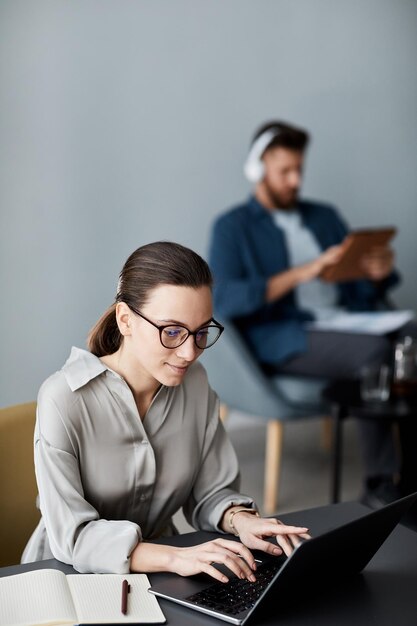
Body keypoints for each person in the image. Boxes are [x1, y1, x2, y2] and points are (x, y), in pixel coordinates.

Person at [22, 241, 309, 577]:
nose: (189, 352)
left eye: (201, 332)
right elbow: (74, 537)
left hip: (163, 572)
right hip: (65, 575)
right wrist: (176, 559)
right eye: (172, 332)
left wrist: (241, 521)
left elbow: (211, 490)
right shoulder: (64, 398)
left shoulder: (195, 383)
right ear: (125, 320)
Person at [209, 120, 417, 508]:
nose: (294, 180)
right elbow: (225, 299)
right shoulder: (232, 227)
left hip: (345, 320)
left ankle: (412, 475)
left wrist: (377, 273)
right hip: (286, 336)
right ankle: (378, 481)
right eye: (284, 171)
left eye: (298, 170)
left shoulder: (324, 216)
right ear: (259, 169)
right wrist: (305, 271)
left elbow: (355, 285)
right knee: (375, 355)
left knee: (411, 334)